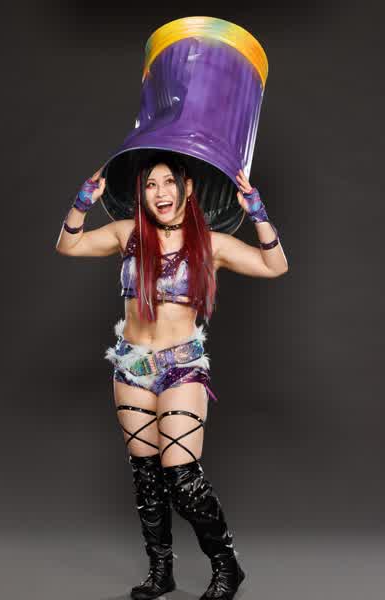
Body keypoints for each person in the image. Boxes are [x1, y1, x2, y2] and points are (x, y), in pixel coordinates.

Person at [55, 151, 288, 600]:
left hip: (181, 367)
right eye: (150, 185)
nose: (159, 193)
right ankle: (160, 572)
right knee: (146, 478)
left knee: (182, 478)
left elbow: (274, 265)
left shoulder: (211, 243)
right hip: (131, 365)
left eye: (168, 183)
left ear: (188, 188)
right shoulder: (128, 234)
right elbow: (69, 245)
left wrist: (258, 213)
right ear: (140, 193)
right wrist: (83, 201)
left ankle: (227, 566)